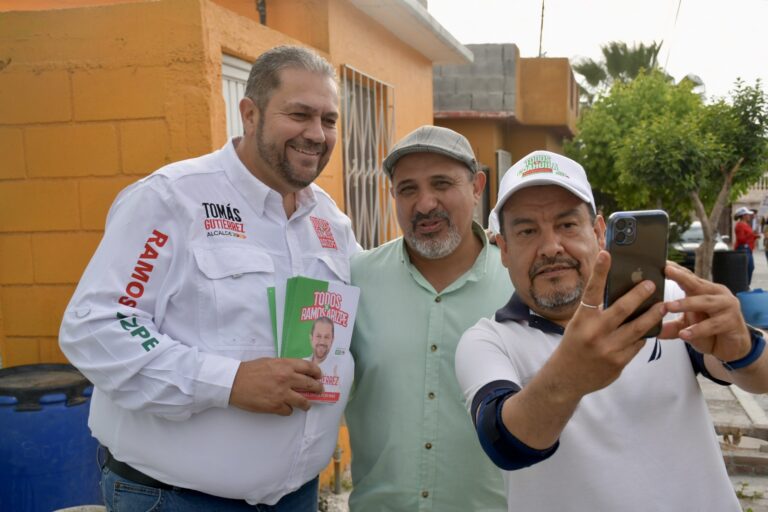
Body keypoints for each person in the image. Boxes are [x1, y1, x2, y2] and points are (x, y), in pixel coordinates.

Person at [59, 45, 359, 511]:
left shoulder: (331, 222)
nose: (316, 134)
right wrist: (228, 381)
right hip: (175, 499)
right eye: (299, 114)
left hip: (296, 497)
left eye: (329, 119)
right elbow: (96, 327)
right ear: (250, 113)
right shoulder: (172, 199)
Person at [455, 150, 768, 511]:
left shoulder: (661, 298)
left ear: (599, 232)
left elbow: (754, 378)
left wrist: (742, 347)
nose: (551, 247)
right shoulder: (488, 341)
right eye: (527, 231)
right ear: (504, 249)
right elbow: (505, 444)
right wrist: (571, 373)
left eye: (567, 225)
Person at [345, 125, 511, 511]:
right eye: (408, 189)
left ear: (477, 186)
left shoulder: (518, 283)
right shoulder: (355, 280)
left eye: (441, 183)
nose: (424, 204)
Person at [734, 206, 759, 285]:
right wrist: (751, 235)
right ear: (744, 216)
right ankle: (744, 285)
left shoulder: (746, 224)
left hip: (748, 249)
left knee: (749, 267)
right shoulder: (740, 225)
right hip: (743, 249)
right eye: (748, 214)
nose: (749, 216)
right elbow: (741, 239)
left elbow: (748, 237)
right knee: (747, 268)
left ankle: (746, 285)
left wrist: (755, 236)